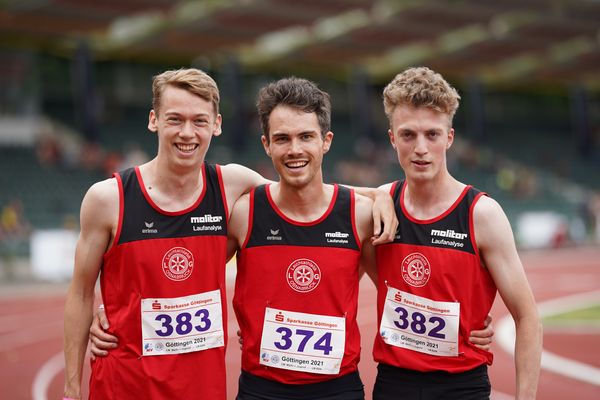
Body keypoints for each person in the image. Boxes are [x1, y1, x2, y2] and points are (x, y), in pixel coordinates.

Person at [88, 75, 494, 398]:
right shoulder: (244, 213)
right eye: (282, 138)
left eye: (305, 137)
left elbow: (405, 282)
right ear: (266, 145)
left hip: (338, 389)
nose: (294, 149)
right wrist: (110, 311)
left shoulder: (361, 215)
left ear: (326, 142)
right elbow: (181, 259)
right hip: (261, 390)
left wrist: (463, 325)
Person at [371, 67, 542, 400]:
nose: (420, 147)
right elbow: (310, 195)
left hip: (461, 387)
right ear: (392, 138)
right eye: (408, 135)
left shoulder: (481, 214)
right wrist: (374, 193)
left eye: (432, 135)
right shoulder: (379, 206)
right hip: (392, 385)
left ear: (449, 138)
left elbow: (528, 317)